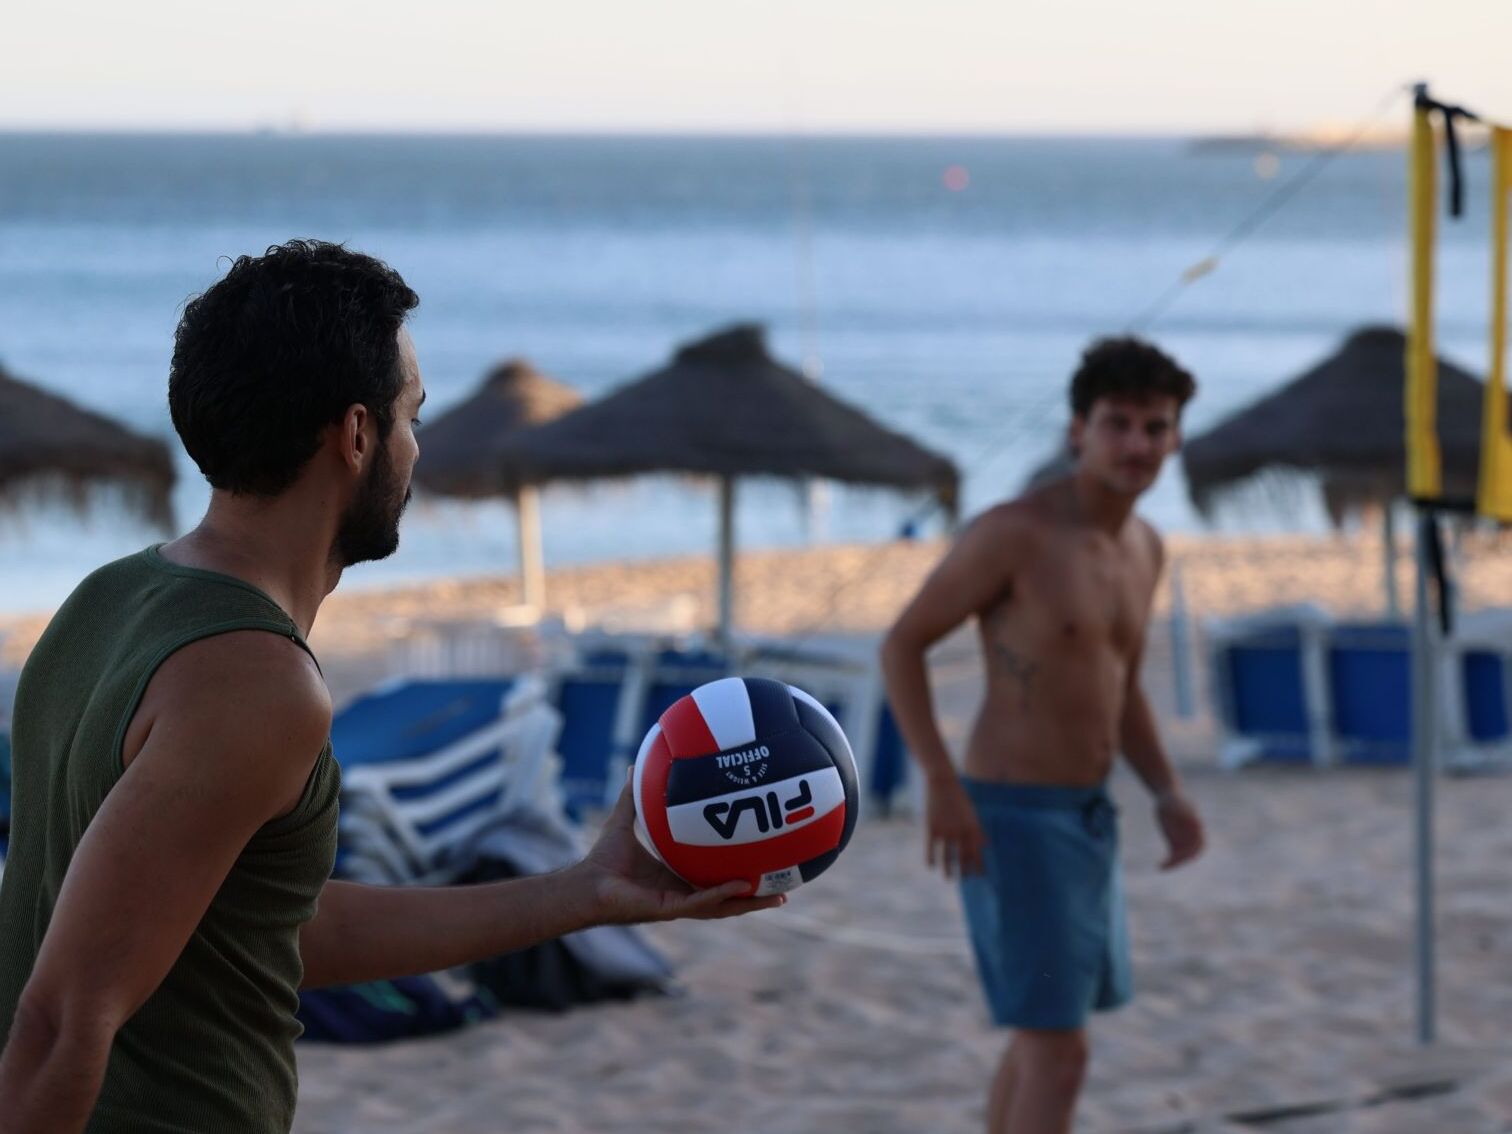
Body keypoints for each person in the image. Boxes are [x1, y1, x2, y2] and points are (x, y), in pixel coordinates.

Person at [0, 240, 782, 1134]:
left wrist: (586, 891)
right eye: (413, 416)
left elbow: (275, 931)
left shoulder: (104, 600)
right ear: (358, 434)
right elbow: (59, 1022)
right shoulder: (255, 682)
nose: (417, 447)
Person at [880, 337, 1207, 1134]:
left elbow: (1119, 685)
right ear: (1077, 431)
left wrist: (1166, 791)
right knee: (1061, 1054)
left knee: (1041, 1041)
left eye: (1154, 428)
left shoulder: (1145, 547)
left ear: (1176, 439)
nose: (1136, 445)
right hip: (1011, 814)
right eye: (1118, 424)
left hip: (1088, 816)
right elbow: (902, 643)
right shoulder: (1016, 533)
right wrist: (941, 782)